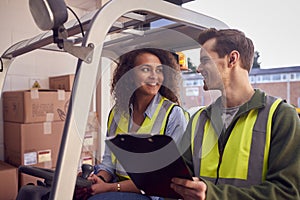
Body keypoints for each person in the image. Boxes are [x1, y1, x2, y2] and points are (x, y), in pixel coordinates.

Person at [170, 28, 300, 199]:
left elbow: (288, 193)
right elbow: (180, 178)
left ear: (232, 59)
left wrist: (212, 195)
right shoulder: (199, 119)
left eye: (205, 60)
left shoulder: (280, 116)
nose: (199, 68)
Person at [87, 48, 188, 200]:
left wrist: (111, 188)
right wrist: (100, 179)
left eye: (159, 70)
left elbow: (162, 178)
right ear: (129, 75)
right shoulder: (117, 113)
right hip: (119, 188)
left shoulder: (173, 115)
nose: (154, 76)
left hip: (155, 195)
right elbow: (109, 161)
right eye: (146, 69)